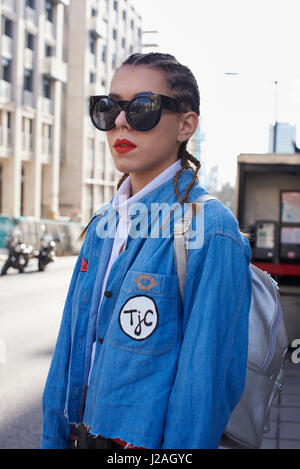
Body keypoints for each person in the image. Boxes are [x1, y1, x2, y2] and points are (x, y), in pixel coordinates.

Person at [40, 52, 252, 450]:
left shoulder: (210, 229)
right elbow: (68, 353)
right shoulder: (103, 225)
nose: (120, 121)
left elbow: (202, 392)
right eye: (109, 108)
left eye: (142, 108)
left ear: (186, 125)